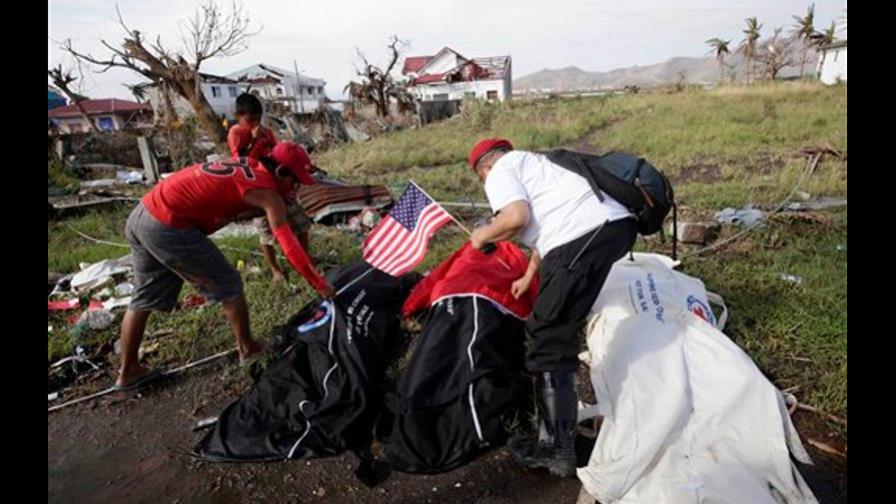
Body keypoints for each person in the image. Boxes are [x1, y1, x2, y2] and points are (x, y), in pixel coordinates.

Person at [467, 138, 637, 477]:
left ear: (484, 168)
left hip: (585, 233)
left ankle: (556, 448)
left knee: (546, 333)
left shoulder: (500, 170)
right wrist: (529, 275)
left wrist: (482, 235)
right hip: (613, 227)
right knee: (557, 323)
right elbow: (546, 229)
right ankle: (558, 439)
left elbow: (516, 218)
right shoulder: (537, 163)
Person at [115, 141, 334, 391]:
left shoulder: (250, 166)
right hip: (168, 224)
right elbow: (288, 244)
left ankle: (128, 372)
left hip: (143, 213)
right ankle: (248, 349)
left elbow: (229, 199)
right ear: (281, 171)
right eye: (294, 182)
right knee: (229, 284)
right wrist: (319, 284)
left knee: (144, 296)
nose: (295, 189)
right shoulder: (268, 193)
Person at [227, 92, 313, 282]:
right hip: (257, 190)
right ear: (238, 116)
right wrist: (255, 141)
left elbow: (277, 154)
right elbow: (241, 163)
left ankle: (304, 258)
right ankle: (275, 268)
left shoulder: (266, 131)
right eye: (250, 120)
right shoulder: (236, 133)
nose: (255, 124)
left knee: (300, 222)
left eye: (258, 119)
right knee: (266, 232)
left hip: (278, 186)